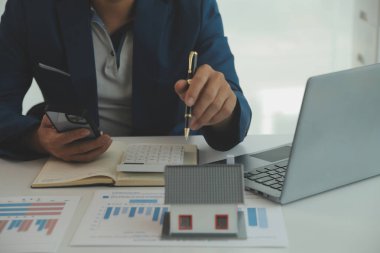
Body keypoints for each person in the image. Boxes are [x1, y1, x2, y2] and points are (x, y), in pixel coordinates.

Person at [0, 0, 252, 162]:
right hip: (70, 168)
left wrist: (222, 109)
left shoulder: (193, 5)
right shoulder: (29, 7)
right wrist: (37, 139)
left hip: (170, 161)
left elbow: (233, 105)